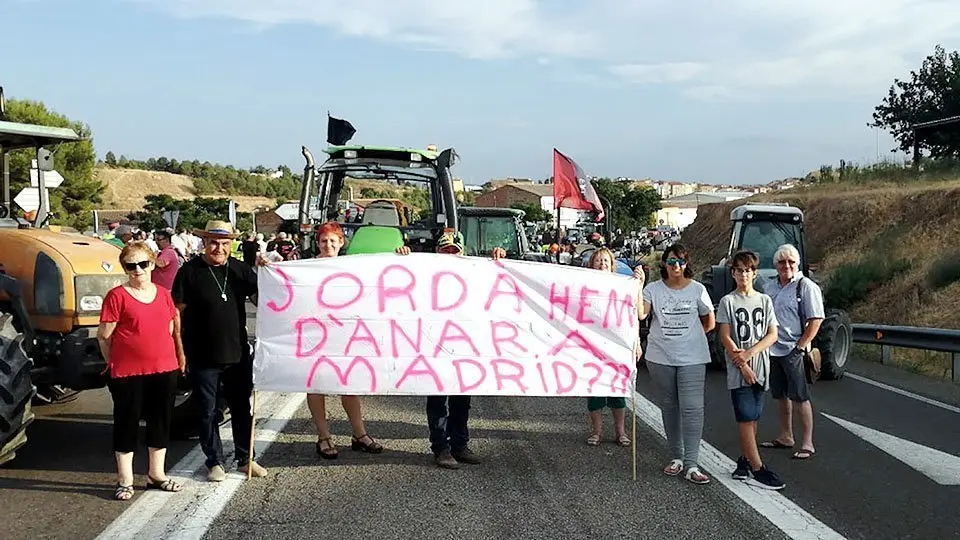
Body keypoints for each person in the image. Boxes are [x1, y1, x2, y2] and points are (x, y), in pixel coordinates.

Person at [396, 231, 504, 469]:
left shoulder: (474, 272)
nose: (449, 255)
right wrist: (401, 258)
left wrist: (498, 260)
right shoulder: (423, 272)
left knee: (461, 399)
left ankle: (459, 444)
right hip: (434, 345)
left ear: (462, 252)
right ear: (437, 252)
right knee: (437, 399)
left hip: (463, 345)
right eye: (445, 251)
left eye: (454, 251)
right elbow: (399, 280)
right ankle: (440, 447)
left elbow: (496, 281)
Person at [171, 220, 267, 482]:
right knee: (208, 411)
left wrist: (267, 274)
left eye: (225, 243)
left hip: (237, 354)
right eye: (214, 242)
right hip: (202, 355)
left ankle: (245, 458)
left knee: (241, 408)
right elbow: (176, 315)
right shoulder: (189, 272)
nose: (219, 248)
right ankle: (214, 461)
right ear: (204, 243)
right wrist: (178, 351)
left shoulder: (239, 270)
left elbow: (261, 300)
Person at [97, 242, 185, 501]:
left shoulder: (163, 293)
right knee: (127, 422)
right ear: (124, 268)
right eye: (131, 265)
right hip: (127, 372)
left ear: (152, 263)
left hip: (164, 368)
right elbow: (104, 336)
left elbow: (170, 327)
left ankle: (156, 474)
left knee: (161, 420)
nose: (137, 270)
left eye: (143, 264)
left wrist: (176, 356)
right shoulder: (116, 296)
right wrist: (113, 362)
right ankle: (125, 479)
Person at [307, 222, 385, 459]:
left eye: (333, 240)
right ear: (317, 244)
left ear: (341, 242)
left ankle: (359, 434)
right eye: (323, 241)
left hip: (345, 335)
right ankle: (324, 436)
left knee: (349, 384)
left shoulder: (354, 266)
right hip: (315, 335)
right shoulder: (305, 268)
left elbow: (382, 274)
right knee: (315, 384)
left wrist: (401, 256)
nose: (328, 245)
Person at [639, 243, 715, 484]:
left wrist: (690, 338)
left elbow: (709, 321)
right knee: (669, 406)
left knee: (692, 408)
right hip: (660, 356)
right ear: (664, 264)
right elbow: (641, 314)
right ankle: (676, 456)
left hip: (693, 357)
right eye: (672, 262)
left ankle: (692, 464)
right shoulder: (653, 289)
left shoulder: (698, 290)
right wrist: (636, 286)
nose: (676, 267)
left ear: (687, 263)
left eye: (681, 262)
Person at [716, 250, 785, 490]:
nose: (743, 274)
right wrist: (742, 363)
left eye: (747, 270)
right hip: (739, 369)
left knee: (754, 417)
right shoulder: (728, 301)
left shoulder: (764, 300)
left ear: (754, 273)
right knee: (745, 417)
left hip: (761, 366)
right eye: (738, 270)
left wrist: (751, 353)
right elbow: (725, 336)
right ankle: (758, 468)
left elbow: (772, 334)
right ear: (732, 273)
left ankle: (744, 461)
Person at [761, 244, 823, 461]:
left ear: (797, 264)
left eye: (790, 262)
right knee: (780, 396)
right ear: (775, 264)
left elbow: (816, 320)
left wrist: (800, 346)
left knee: (800, 397)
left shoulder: (806, 287)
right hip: (772, 350)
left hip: (793, 350)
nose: (786, 266)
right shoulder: (770, 288)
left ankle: (807, 443)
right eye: (782, 262)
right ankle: (786, 436)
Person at [584, 247, 644, 447]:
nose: (602, 265)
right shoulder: (583, 286)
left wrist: (639, 284)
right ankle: (597, 432)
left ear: (612, 266)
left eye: (606, 262)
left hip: (617, 345)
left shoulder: (622, 287)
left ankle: (621, 432)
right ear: (592, 264)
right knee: (595, 391)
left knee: (618, 390)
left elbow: (636, 314)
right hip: (592, 346)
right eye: (598, 261)